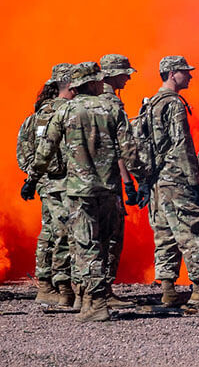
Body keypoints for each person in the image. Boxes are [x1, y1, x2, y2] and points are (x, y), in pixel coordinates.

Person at [33, 62, 135, 321]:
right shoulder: (112, 108)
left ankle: (97, 303)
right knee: (102, 244)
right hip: (109, 189)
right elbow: (129, 151)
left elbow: (46, 149)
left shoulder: (66, 110)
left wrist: (33, 177)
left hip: (79, 191)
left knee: (85, 245)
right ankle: (91, 301)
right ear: (91, 83)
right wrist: (140, 180)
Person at [143, 55, 199, 308]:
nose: (190, 75)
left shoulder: (151, 103)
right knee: (192, 232)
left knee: (164, 235)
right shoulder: (173, 104)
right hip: (177, 178)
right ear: (172, 73)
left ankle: (168, 290)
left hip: (157, 181)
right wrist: (194, 180)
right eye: (186, 71)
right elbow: (181, 143)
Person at [17, 63, 74, 307]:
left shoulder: (35, 116)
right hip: (66, 182)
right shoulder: (69, 113)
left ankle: (47, 284)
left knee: (50, 231)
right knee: (63, 232)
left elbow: (23, 152)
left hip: (45, 182)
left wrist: (34, 178)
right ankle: (60, 287)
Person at [96, 54, 140, 309]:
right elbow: (120, 148)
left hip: (88, 180)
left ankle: (88, 290)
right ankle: (105, 290)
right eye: (125, 73)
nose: (129, 77)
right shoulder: (112, 104)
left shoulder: (86, 102)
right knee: (111, 237)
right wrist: (131, 180)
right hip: (108, 181)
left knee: (90, 236)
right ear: (111, 75)